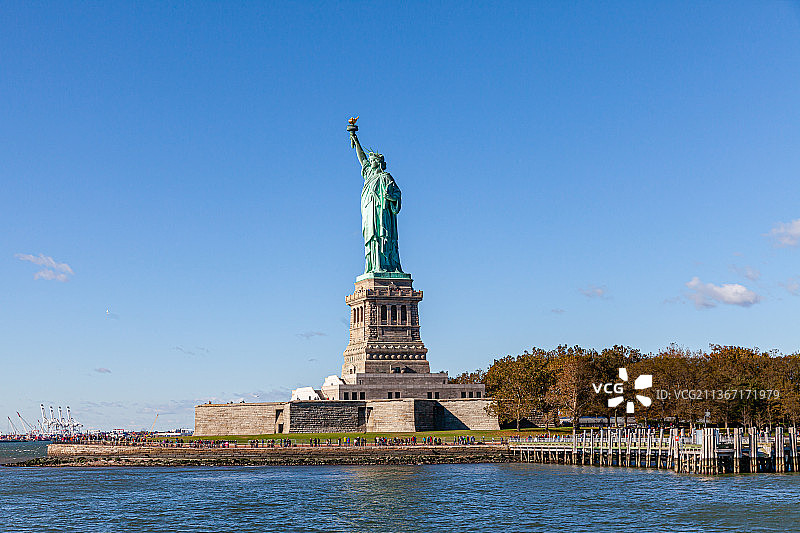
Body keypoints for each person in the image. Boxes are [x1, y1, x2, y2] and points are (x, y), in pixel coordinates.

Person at [349, 130, 403, 274]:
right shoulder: (368, 176)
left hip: (382, 213)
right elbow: (362, 159)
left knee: (383, 238)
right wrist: (355, 140)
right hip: (369, 211)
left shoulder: (386, 177)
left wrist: (391, 197)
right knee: (371, 238)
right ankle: (374, 266)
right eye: (371, 160)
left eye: (373, 160)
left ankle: (386, 265)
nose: (370, 162)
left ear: (379, 163)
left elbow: (397, 194)